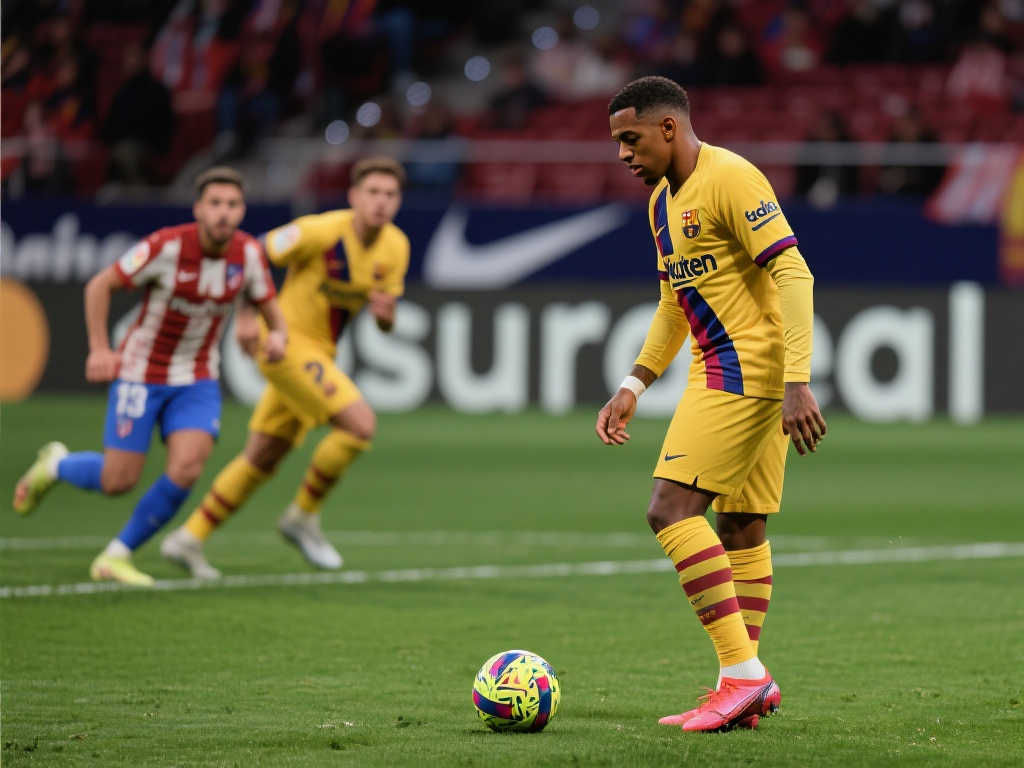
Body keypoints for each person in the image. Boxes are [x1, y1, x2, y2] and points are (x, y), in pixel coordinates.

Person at [598, 76, 826, 733]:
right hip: (734, 371)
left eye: (631, 138)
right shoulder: (660, 205)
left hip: (743, 371)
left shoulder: (731, 178)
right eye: (618, 142)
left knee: (670, 509)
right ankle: (740, 685)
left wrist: (797, 380)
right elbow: (674, 303)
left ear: (669, 127)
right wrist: (634, 383)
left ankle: (745, 675)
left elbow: (794, 272)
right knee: (742, 525)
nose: (623, 154)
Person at [12, 167, 287, 586]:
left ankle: (116, 555)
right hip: (142, 373)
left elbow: (268, 304)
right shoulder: (167, 246)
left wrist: (275, 334)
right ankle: (57, 465)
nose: (223, 213)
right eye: (215, 203)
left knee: (188, 467)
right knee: (117, 480)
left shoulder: (248, 253)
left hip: (197, 376)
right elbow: (99, 285)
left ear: (242, 210)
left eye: (232, 205)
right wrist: (100, 349)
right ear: (198, 209)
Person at [160, 156, 410, 578]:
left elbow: (384, 319)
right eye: (373, 192)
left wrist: (387, 317)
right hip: (283, 344)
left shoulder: (396, 247)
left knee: (264, 455)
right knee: (359, 426)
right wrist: (244, 316)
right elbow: (251, 253)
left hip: (320, 354)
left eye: (390, 194)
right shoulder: (319, 231)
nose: (381, 202)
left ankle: (189, 538)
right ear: (353, 196)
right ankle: (303, 516)